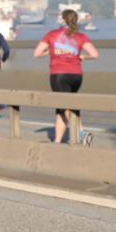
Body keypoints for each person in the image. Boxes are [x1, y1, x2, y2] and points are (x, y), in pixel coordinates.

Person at [33, 9, 99, 145]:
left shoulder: (52, 34)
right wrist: (83, 56)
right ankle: (58, 140)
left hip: (59, 75)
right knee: (67, 106)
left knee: (63, 108)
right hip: (76, 76)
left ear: (62, 20)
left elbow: (37, 53)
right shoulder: (81, 37)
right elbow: (95, 54)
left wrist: (48, 52)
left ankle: (82, 134)